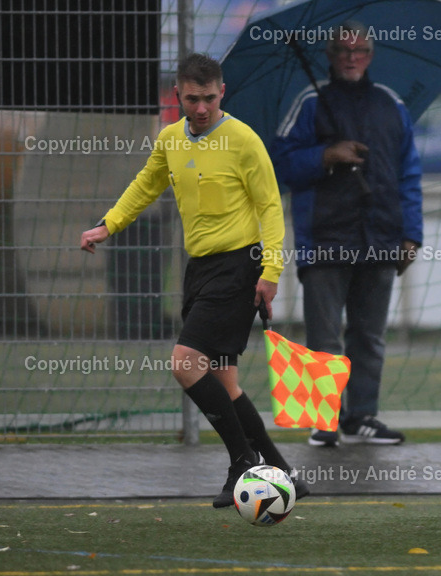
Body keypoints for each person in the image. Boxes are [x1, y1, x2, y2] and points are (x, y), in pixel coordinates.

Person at [79, 53, 308, 508]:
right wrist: (109, 224)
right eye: (190, 99)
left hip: (239, 266)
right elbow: (146, 184)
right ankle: (283, 472)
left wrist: (271, 272)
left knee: (184, 362)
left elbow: (269, 207)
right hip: (199, 269)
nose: (200, 108)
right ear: (177, 96)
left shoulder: (243, 140)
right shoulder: (169, 140)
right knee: (224, 381)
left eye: (208, 98)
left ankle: (242, 460)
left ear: (221, 93)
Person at [271, 20, 423, 446]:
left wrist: (411, 235)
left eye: (359, 50)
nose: (351, 57)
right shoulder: (307, 103)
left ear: (370, 55)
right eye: (342, 49)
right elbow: (279, 163)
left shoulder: (391, 104)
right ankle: (324, 421)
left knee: (369, 336)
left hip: (382, 237)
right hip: (324, 238)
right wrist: (325, 155)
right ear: (329, 55)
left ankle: (362, 417)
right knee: (323, 337)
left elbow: (409, 174)